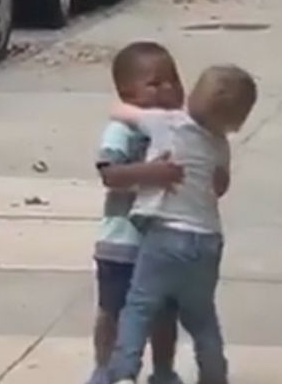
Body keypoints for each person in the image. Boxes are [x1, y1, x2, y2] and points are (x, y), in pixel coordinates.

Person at [106, 65, 258, 384]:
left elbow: (120, 112)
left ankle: (124, 373)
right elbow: (220, 187)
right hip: (207, 242)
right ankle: (214, 375)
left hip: (164, 234)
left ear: (193, 96)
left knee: (139, 308)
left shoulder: (169, 123)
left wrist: (129, 104)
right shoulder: (220, 146)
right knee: (202, 318)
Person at [88, 42, 188, 384]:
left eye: (174, 81)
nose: (169, 89)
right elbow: (110, 175)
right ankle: (105, 369)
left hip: (164, 242)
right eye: (155, 83)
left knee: (164, 313)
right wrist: (152, 174)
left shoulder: (180, 130)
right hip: (122, 243)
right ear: (127, 93)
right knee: (112, 311)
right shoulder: (122, 130)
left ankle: (162, 371)